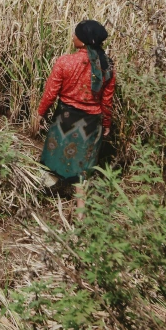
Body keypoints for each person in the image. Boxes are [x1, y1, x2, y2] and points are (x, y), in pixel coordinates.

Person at [36, 20, 116, 217]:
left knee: (51, 161)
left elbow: (50, 93)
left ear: (83, 41)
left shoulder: (65, 62)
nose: (73, 37)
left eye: (76, 35)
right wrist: (106, 124)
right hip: (91, 124)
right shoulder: (107, 66)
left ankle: (43, 197)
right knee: (82, 170)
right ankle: (81, 217)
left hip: (65, 120)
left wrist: (40, 113)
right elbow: (107, 101)